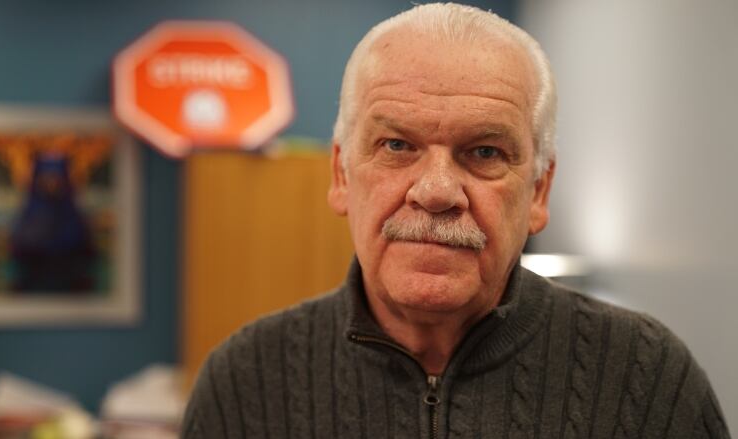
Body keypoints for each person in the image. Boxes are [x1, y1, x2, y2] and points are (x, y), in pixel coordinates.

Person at [182, 3, 730, 438]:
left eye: (485, 152)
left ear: (538, 189)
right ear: (342, 175)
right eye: (397, 144)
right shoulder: (245, 381)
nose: (438, 191)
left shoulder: (648, 378)